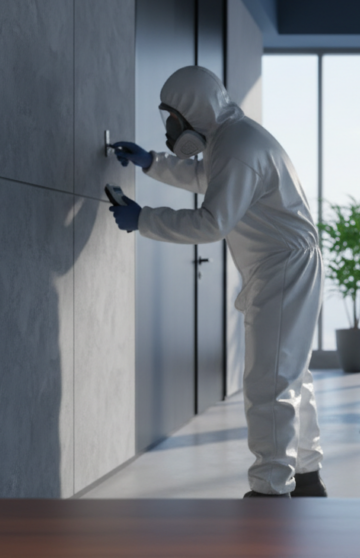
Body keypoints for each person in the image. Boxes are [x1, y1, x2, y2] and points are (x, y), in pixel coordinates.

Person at [110, 66, 326, 498]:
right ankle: (306, 477)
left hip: (283, 266)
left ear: (193, 110)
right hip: (288, 262)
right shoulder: (231, 138)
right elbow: (204, 177)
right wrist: (151, 162)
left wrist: (143, 219)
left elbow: (212, 222)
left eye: (173, 118)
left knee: (270, 381)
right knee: (290, 376)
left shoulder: (237, 145)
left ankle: (271, 490)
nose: (172, 129)